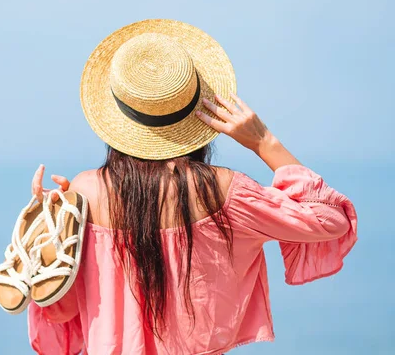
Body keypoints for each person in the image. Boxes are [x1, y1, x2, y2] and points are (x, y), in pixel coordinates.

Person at [24, 20, 357, 354]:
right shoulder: (223, 191)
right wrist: (264, 142)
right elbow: (330, 219)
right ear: (197, 113)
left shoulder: (84, 191)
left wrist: (54, 225)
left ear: (117, 116)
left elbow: (58, 314)